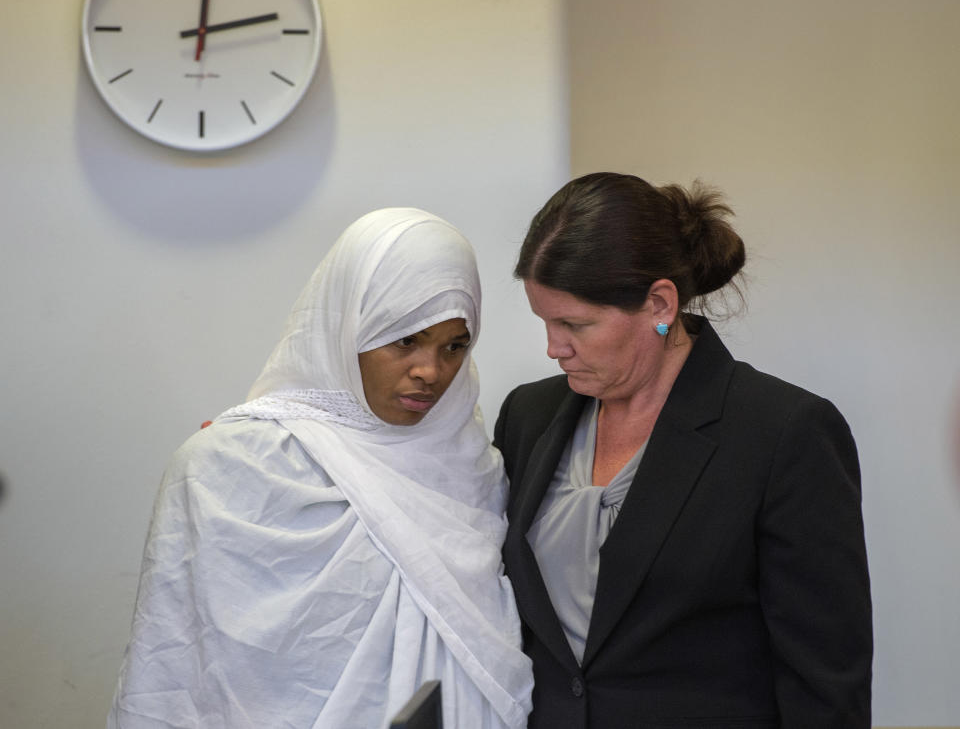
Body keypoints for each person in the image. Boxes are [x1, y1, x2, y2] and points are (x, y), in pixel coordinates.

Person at [108, 208, 533, 729]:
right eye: (404, 340)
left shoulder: (471, 465)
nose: (431, 371)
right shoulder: (227, 467)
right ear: (346, 326)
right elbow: (173, 673)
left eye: (454, 346)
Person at [494, 173, 872, 728]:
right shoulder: (527, 417)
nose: (554, 348)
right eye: (545, 322)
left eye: (575, 324)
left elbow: (825, 682)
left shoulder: (785, 433)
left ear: (659, 304)